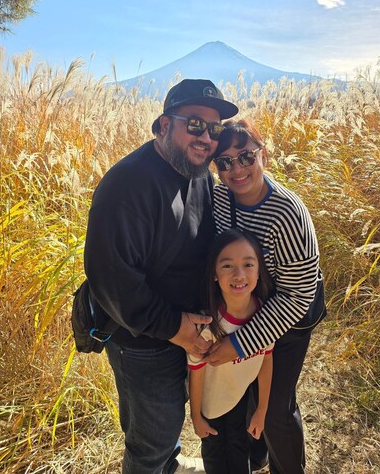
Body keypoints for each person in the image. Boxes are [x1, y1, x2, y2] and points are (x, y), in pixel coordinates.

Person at [83, 79, 238, 474]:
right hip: (143, 340)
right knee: (152, 433)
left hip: (183, 329)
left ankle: (167, 463)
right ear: (164, 125)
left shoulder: (198, 173)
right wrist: (174, 327)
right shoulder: (128, 185)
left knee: (165, 420)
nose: (206, 138)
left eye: (215, 129)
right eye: (195, 124)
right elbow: (112, 279)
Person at [205, 119, 321, 474]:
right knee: (248, 391)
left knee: (273, 409)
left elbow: (298, 296)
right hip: (249, 306)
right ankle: (257, 458)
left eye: (245, 157)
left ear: (263, 155)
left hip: (290, 315)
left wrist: (242, 343)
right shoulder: (221, 197)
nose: (236, 169)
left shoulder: (288, 214)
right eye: (224, 162)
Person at [188, 229, 274, 474]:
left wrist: (261, 410)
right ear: (214, 274)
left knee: (239, 451)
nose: (239, 274)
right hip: (211, 406)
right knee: (215, 457)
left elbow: (266, 361)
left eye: (248, 264)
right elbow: (196, 372)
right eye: (227, 266)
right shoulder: (209, 325)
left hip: (239, 398)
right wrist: (196, 417)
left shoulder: (265, 315)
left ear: (259, 270)